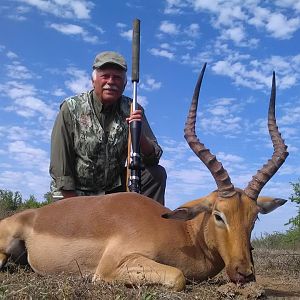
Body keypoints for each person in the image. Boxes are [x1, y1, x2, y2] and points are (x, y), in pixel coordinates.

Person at [49, 51, 166, 205]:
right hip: (75, 192)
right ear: (94, 81)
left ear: (124, 84)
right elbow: (60, 168)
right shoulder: (70, 108)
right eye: (105, 76)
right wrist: (76, 207)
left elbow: (153, 158)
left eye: (117, 77)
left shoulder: (133, 108)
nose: (111, 82)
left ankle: (146, 225)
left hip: (113, 191)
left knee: (156, 174)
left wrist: (139, 136)